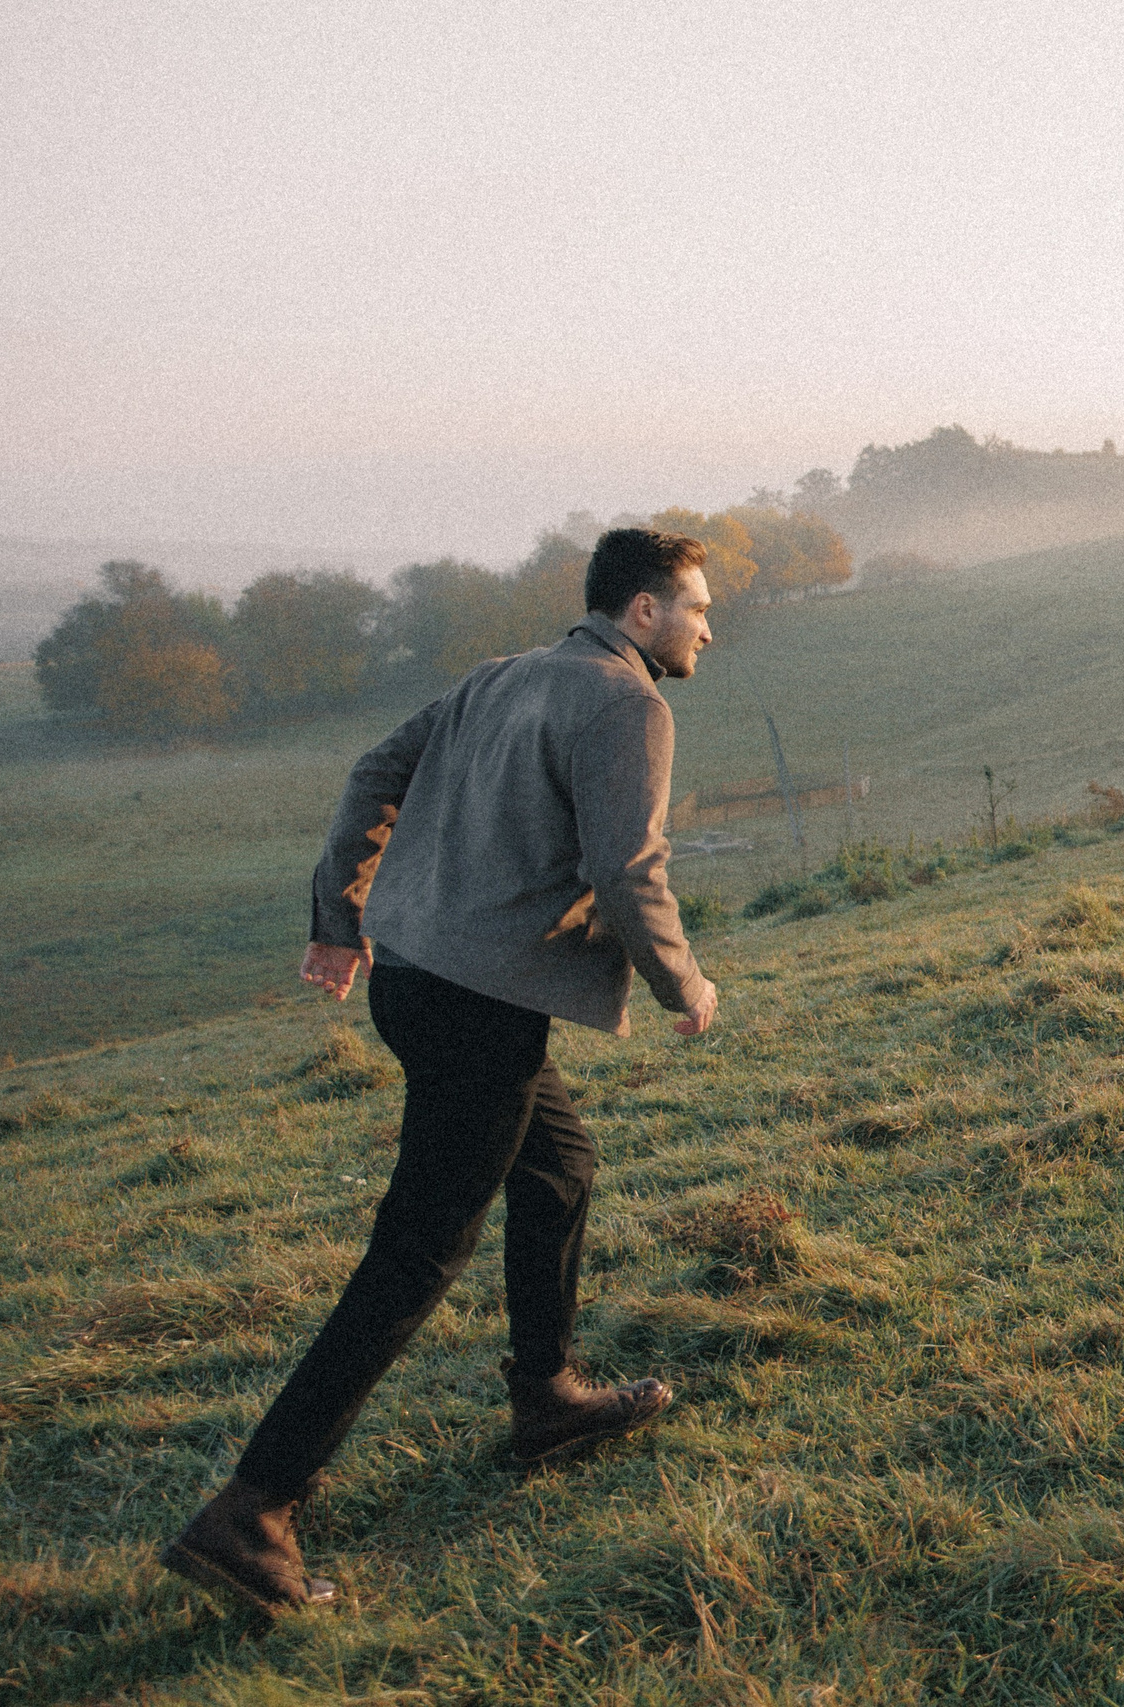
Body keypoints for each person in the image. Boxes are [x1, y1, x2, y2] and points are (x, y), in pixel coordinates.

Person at [160, 528, 722, 1615]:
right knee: (420, 1249)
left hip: (412, 979)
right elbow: (626, 866)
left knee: (558, 1165)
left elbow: (375, 769)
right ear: (643, 612)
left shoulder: (502, 675)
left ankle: (546, 1394)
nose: (709, 625)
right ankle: (252, 1509)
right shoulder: (628, 704)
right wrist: (682, 986)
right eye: (697, 606)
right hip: (480, 1006)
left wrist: (342, 911)